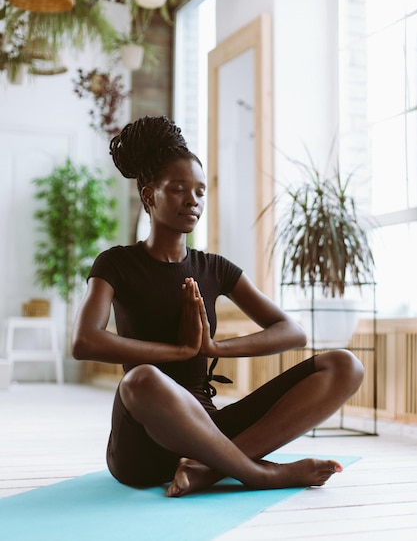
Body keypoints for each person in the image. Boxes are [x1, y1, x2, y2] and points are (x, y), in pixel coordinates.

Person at [72, 115, 364, 497]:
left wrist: (214, 348)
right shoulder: (117, 263)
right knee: (141, 379)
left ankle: (208, 468)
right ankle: (260, 474)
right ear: (149, 196)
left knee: (345, 365)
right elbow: (85, 341)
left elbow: (293, 332)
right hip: (143, 442)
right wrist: (176, 351)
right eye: (178, 189)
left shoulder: (214, 268)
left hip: (210, 432)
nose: (193, 200)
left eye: (200, 191)